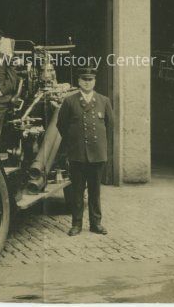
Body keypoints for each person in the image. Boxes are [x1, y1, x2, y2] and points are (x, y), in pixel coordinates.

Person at [57, 67, 114, 236]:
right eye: (84, 79)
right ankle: (76, 224)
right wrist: (73, 143)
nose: (87, 83)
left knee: (95, 191)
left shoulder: (104, 101)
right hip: (78, 154)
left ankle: (96, 224)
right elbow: (61, 125)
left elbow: (110, 125)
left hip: (97, 154)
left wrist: (103, 148)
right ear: (79, 82)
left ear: (94, 81)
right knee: (77, 191)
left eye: (90, 80)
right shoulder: (70, 101)